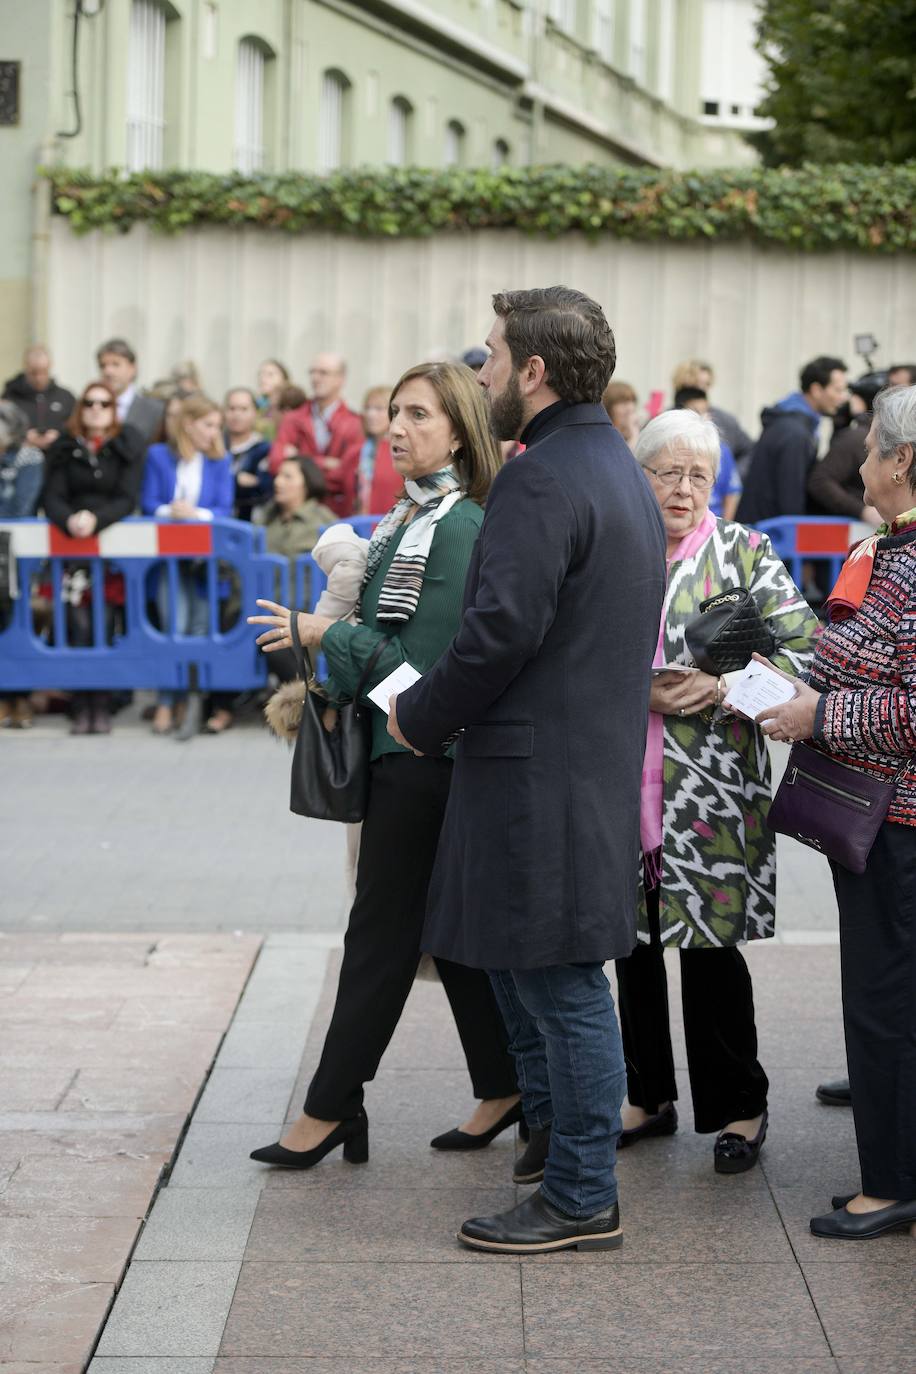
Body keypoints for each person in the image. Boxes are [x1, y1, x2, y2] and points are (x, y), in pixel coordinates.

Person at [387, 287, 667, 1255]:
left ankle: (581, 1193)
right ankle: (558, 1161)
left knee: (561, 986)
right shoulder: (612, 467)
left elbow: (497, 631)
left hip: (537, 775)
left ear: (535, 372)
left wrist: (419, 716)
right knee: (540, 975)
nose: (483, 374)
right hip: (571, 769)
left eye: (494, 358)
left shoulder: (543, 477)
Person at [247, 362, 522, 1171]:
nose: (397, 428)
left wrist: (320, 633)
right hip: (403, 751)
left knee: (378, 936)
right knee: (447, 935)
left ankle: (330, 1108)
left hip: (422, 755)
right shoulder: (413, 515)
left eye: (419, 415)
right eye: (394, 414)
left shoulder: (461, 522)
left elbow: (420, 667)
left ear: (461, 429)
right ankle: (504, 1086)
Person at [614, 409, 818, 1173]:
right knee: (626, 945)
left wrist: (723, 682)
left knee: (711, 952)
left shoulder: (743, 552)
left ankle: (740, 1106)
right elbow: (574, 650)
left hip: (713, 794)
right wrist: (643, 690)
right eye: (667, 471)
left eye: (700, 474)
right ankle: (646, 1094)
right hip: (617, 780)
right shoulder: (616, 550)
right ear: (640, 477)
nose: (684, 487)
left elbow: (804, 653)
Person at [757, 385, 916, 1241]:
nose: (855, 464)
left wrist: (819, 715)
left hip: (901, 823)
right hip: (883, 821)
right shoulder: (890, 550)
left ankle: (892, 1182)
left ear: (903, 461)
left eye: (867, 449)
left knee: (887, 1000)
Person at [42, 382, 145, 734]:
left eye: (105, 403)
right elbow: (52, 495)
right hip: (73, 553)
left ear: (114, 409)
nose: (97, 408)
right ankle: (80, 703)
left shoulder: (124, 445)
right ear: (80, 408)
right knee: (79, 625)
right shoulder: (64, 447)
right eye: (90, 402)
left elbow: (127, 496)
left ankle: (100, 704)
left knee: (104, 624)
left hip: (111, 555)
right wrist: (69, 519)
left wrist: (96, 520)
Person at [141, 393, 233, 736]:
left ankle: (189, 700)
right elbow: (149, 503)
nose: (214, 433)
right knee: (173, 625)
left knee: (198, 627)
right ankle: (166, 700)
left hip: (204, 562)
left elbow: (225, 508)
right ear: (189, 423)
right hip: (168, 561)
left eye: (217, 426)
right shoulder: (158, 456)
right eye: (209, 425)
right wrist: (171, 511)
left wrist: (195, 515)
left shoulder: (219, 462)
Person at [737, 356, 848, 524]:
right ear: (817, 390)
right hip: (769, 536)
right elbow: (790, 500)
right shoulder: (796, 434)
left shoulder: (790, 421)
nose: (843, 398)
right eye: (838, 390)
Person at [268, 353, 365, 517]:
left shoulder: (355, 423)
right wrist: (325, 463)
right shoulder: (293, 419)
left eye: (323, 373)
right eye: (312, 372)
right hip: (296, 515)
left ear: (340, 379)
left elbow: (345, 476)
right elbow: (276, 464)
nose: (315, 378)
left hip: (338, 515)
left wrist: (299, 459)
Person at [0, 400, 45, 729]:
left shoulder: (30, 457)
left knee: (20, 623)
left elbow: (21, 506)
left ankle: (22, 697)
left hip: (19, 555)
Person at [807, 375, 885, 522]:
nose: (842, 400)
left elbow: (819, 480)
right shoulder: (856, 437)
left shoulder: (855, 437)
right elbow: (820, 481)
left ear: (857, 401)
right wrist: (861, 510)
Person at [672, 358, 753, 472]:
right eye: (696, 384)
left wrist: (732, 476)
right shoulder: (665, 420)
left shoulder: (725, 421)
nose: (702, 390)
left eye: (707, 384)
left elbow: (748, 451)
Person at [675, 385, 742, 520]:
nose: (704, 418)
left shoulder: (722, 450)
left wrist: (723, 528)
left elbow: (731, 493)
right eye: (696, 413)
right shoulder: (669, 450)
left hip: (712, 523)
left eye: (706, 412)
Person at [2, 346, 75, 453]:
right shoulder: (10, 397)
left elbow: (77, 429)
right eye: (34, 373)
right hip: (20, 458)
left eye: (43, 372)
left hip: (58, 459)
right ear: (25, 367)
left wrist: (59, 436)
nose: (39, 378)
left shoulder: (66, 397)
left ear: (50, 366)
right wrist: (23, 437)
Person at [96, 338, 165, 444]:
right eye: (103, 366)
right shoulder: (90, 406)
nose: (108, 371)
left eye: (116, 364)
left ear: (133, 368)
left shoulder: (154, 410)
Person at [224, 387, 272, 521]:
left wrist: (224, 480)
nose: (237, 415)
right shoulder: (213, 446)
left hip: (249, 521)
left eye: (244, 409)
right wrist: (236, 480)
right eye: (232, 409)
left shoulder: (264, 449)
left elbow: (262, 490)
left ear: (255, 413)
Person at [357, 385, 400, 514]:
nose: (370, 414)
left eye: (379, 409)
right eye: (367, 408)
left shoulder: (401, 451)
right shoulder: (357, 450)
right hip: (358, 526)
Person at [255, 358, 291, 440]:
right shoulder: (256, 404)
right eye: (260, 374)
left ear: (284, 379)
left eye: (270, 374)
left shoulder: (292, 404)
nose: (262, 379)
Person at [601, 380, 640, 451]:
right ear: (609, 408)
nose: (630, 408)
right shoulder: (604, 437)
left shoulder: (638, 432)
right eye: (623, 403)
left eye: (632, 401)